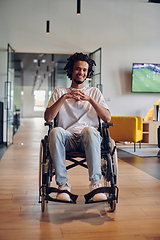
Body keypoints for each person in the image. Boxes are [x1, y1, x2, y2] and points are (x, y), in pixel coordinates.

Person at [44, 52, 111, 202]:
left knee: (89, 130)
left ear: (88, 73)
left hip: (89, 138)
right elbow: (48, 118)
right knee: (55, 131)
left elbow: (107, 118)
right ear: (71, 70)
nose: (81, 73)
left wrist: (90, 100)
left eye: (84, 70)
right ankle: (63, 186)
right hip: (66, 139)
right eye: (77, 69)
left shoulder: (94, 92)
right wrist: (64, 98)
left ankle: (95, 184)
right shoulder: (59, 92)